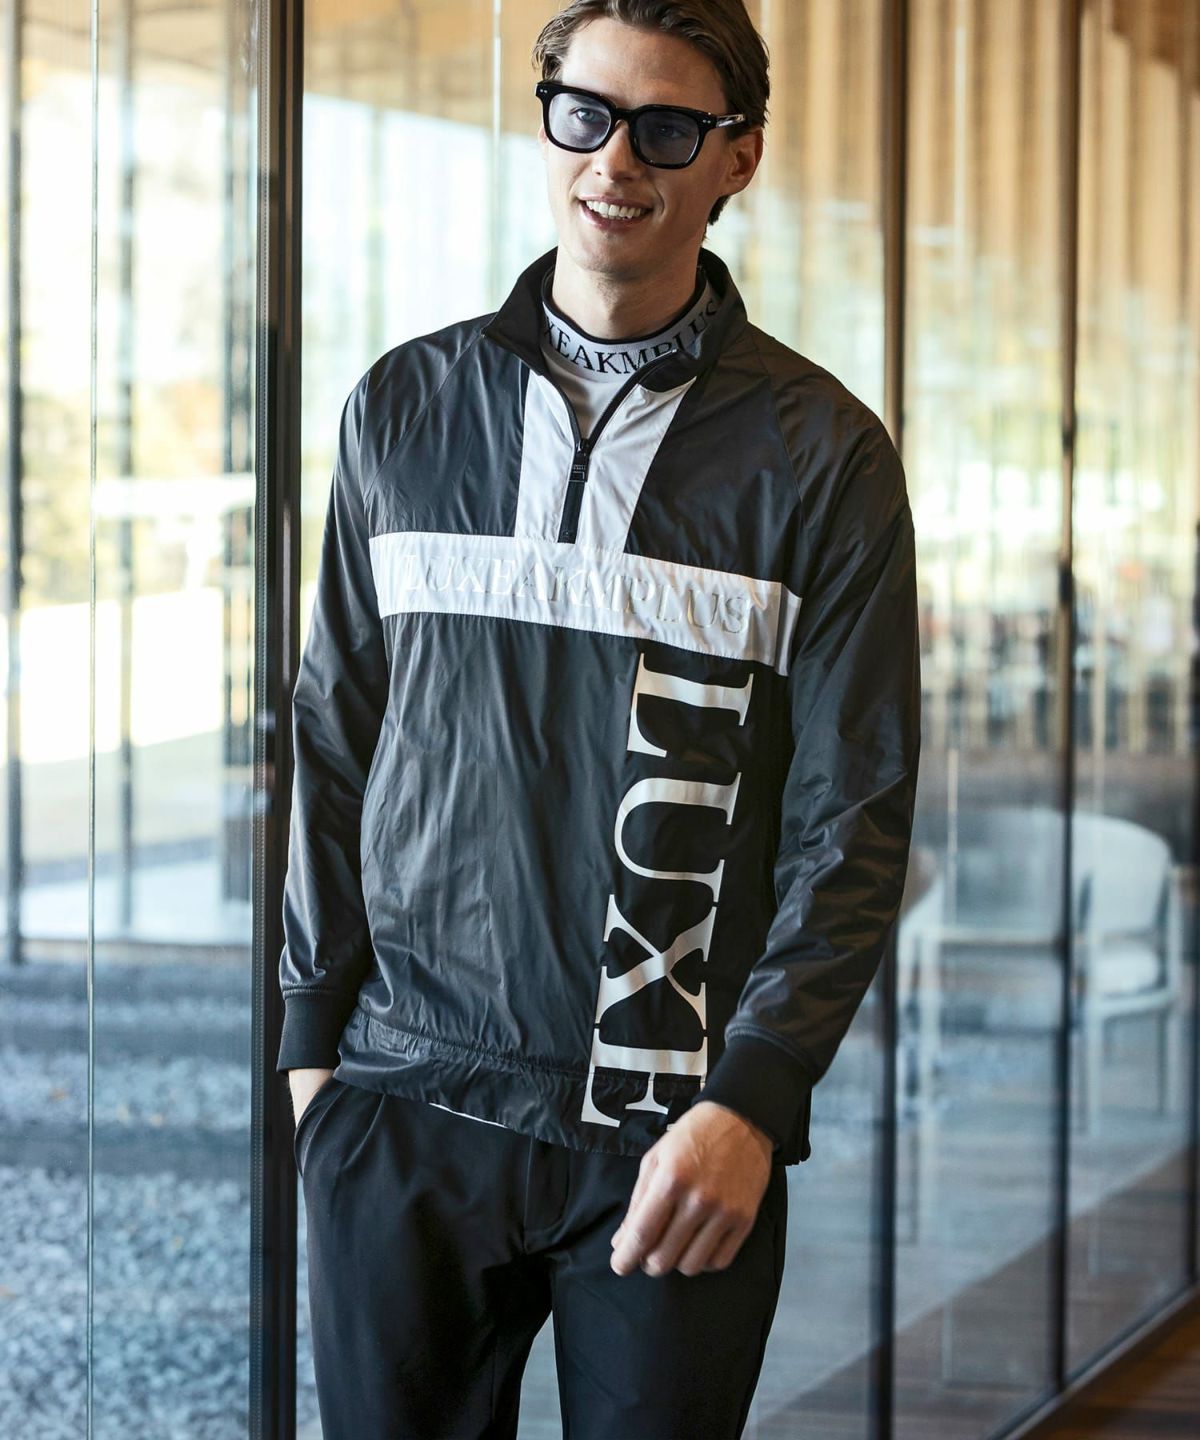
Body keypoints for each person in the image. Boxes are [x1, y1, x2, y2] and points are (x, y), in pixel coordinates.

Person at [277, 1, 921, 1436]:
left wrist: (754, 1102)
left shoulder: (823, 454)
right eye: (585, 113)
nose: (615, 160)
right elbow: (333, 739)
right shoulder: (404, 406)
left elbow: (855, 814)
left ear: (737, 157)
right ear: (547, 119)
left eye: (668, 129)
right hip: (403, 1099)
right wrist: (314, 1056)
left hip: (675, 1133)